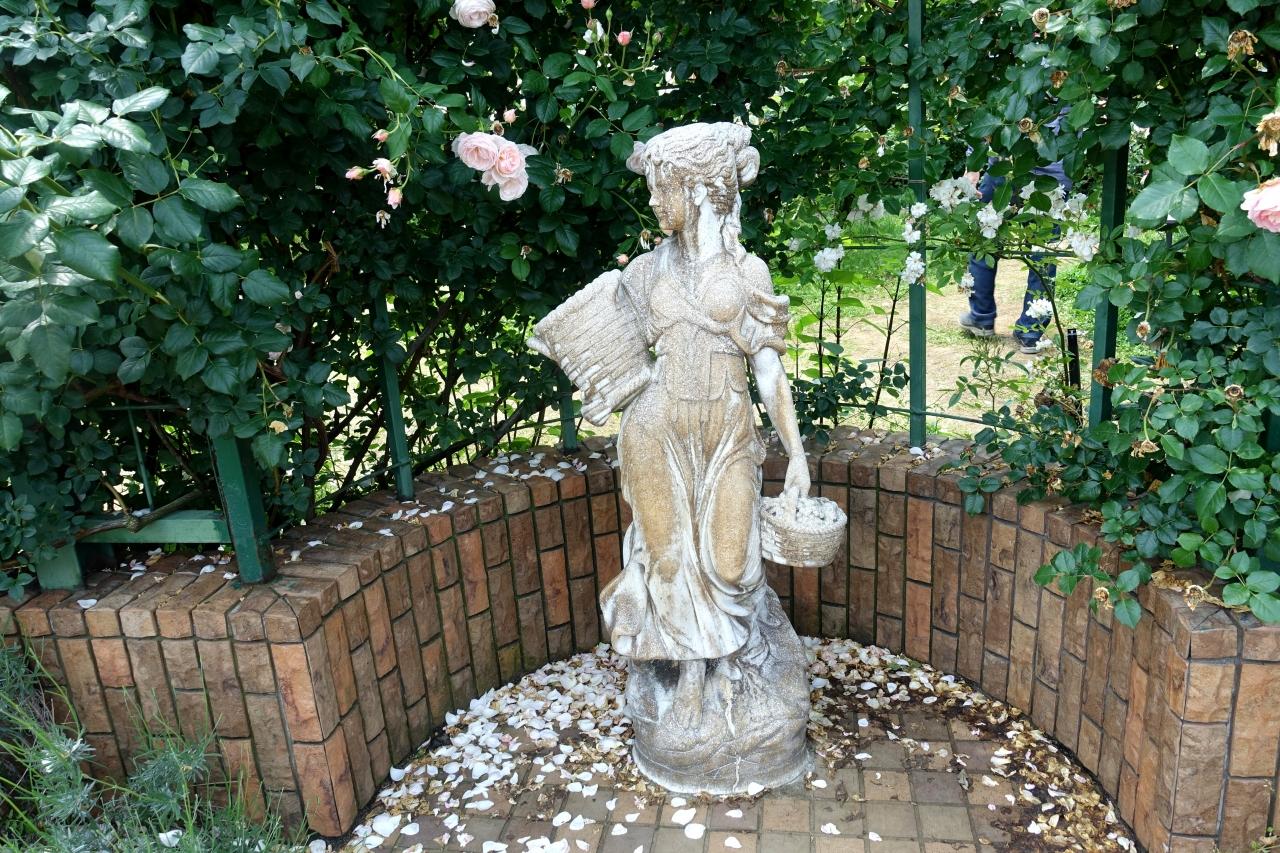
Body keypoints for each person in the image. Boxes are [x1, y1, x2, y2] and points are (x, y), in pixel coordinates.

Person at [597, 123, 811, 728]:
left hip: (726, 432)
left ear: (693, 189)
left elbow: (768, 372)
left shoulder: (748, 273)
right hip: (656, 428)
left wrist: (796, 455)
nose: (652, 200)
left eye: (660, 187)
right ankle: (692, 675)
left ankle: (731, 660)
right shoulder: (645, 272)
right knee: (668, 559)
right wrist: (601, 391)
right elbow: (619, 361)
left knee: (729, 562)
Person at [958, 146, 1072, 354]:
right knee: (1043, 254)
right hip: (1052, 179)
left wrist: (973, 167)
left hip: (1005, 169)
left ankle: (981, 318)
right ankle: (1031, 332)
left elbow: (985, 127)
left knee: (985, 242)